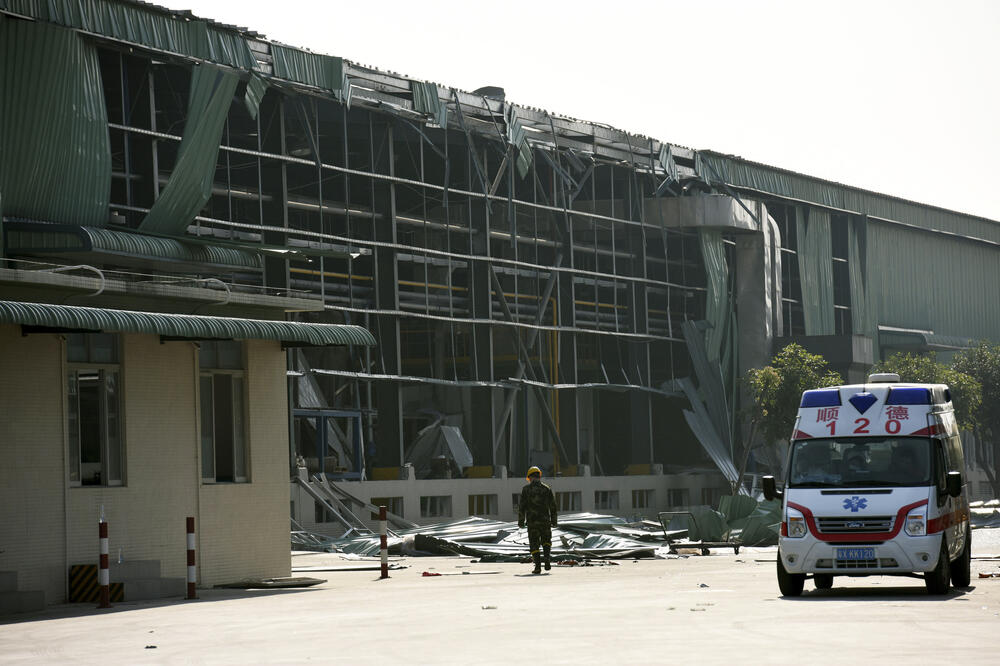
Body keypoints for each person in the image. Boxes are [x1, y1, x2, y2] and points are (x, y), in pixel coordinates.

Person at [518, 466, 558, 574]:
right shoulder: (547, 488)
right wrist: (554, 521)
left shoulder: (526, 490)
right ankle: (547, 559)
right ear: (539, 476)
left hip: (532, 522)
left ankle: (538, 567)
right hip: (545, 521)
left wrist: (521, 521)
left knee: (534, 543)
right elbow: (553, 506)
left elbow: (522, 506)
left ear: (530, 477)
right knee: (546, 541)